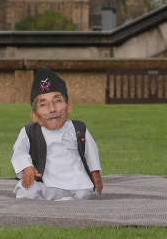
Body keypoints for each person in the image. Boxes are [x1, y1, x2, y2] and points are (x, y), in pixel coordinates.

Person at [11, 68, 103, 200]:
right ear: (34, 115)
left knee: (86, 194)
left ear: (69, 106)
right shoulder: (29, 131)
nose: (52, 109)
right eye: (44, 105)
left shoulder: (78, 128)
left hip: (77, 182)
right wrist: (27, 168)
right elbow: (19, 152)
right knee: (27, 190)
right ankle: (61, 200)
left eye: (58, 101)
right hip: (47, 182)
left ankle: (69, 200)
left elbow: (91, 152)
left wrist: (95, 174)